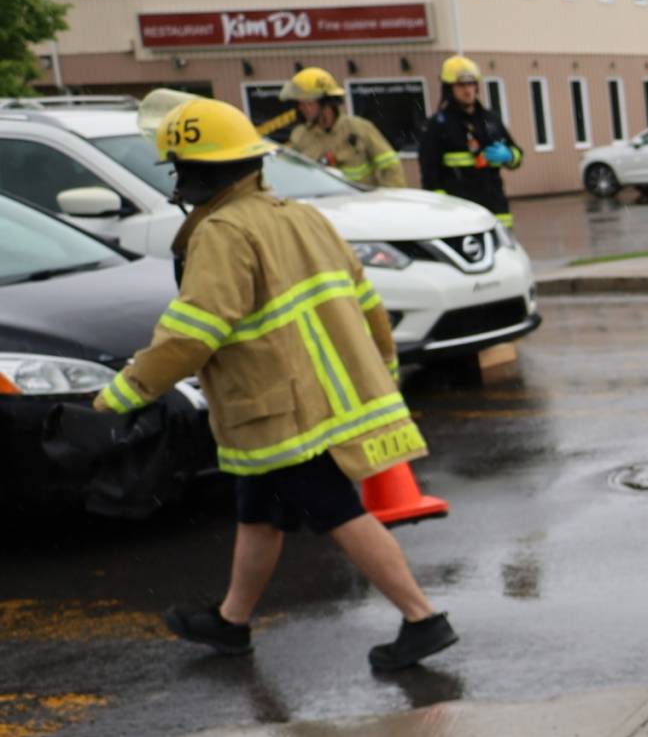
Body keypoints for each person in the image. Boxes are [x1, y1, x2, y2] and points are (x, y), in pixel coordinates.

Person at [90, 95, 455, 672]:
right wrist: (383, 370)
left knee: (337, 511)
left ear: (196, 172)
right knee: (258, 510)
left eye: (179, 169)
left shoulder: (223, 232)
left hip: (283, 410)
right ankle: (232, 621)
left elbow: (193, 333)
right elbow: (368, 303)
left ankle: (421, 617)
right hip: (308, 401)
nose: (177, 182)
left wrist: (123, 394)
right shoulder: (303, 217)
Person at [416, 56, 522, 224]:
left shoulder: (491, 119)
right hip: (459, 211)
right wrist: (442, 208)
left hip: (496, 210)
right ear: (449, 88)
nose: (467, 90)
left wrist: (509, 155)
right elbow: (429, 173)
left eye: (471, 84)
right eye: (461, 85)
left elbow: (517, 155)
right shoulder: (437, 125)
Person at [280, 67, 406, 189]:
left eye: (308, 103)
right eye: (300, 104)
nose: (301, 108)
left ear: (325, 102)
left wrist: (391, 197)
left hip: (361, 201)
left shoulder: (359, 128)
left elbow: (391, 167)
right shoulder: (300, 135)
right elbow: (285, 171)